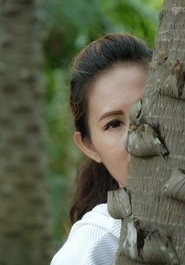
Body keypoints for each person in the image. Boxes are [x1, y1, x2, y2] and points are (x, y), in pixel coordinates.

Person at [50, 33, 152, 265]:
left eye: (146, 110)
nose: (137, 136)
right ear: (89, 146)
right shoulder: (95, 246)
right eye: (114, 124)